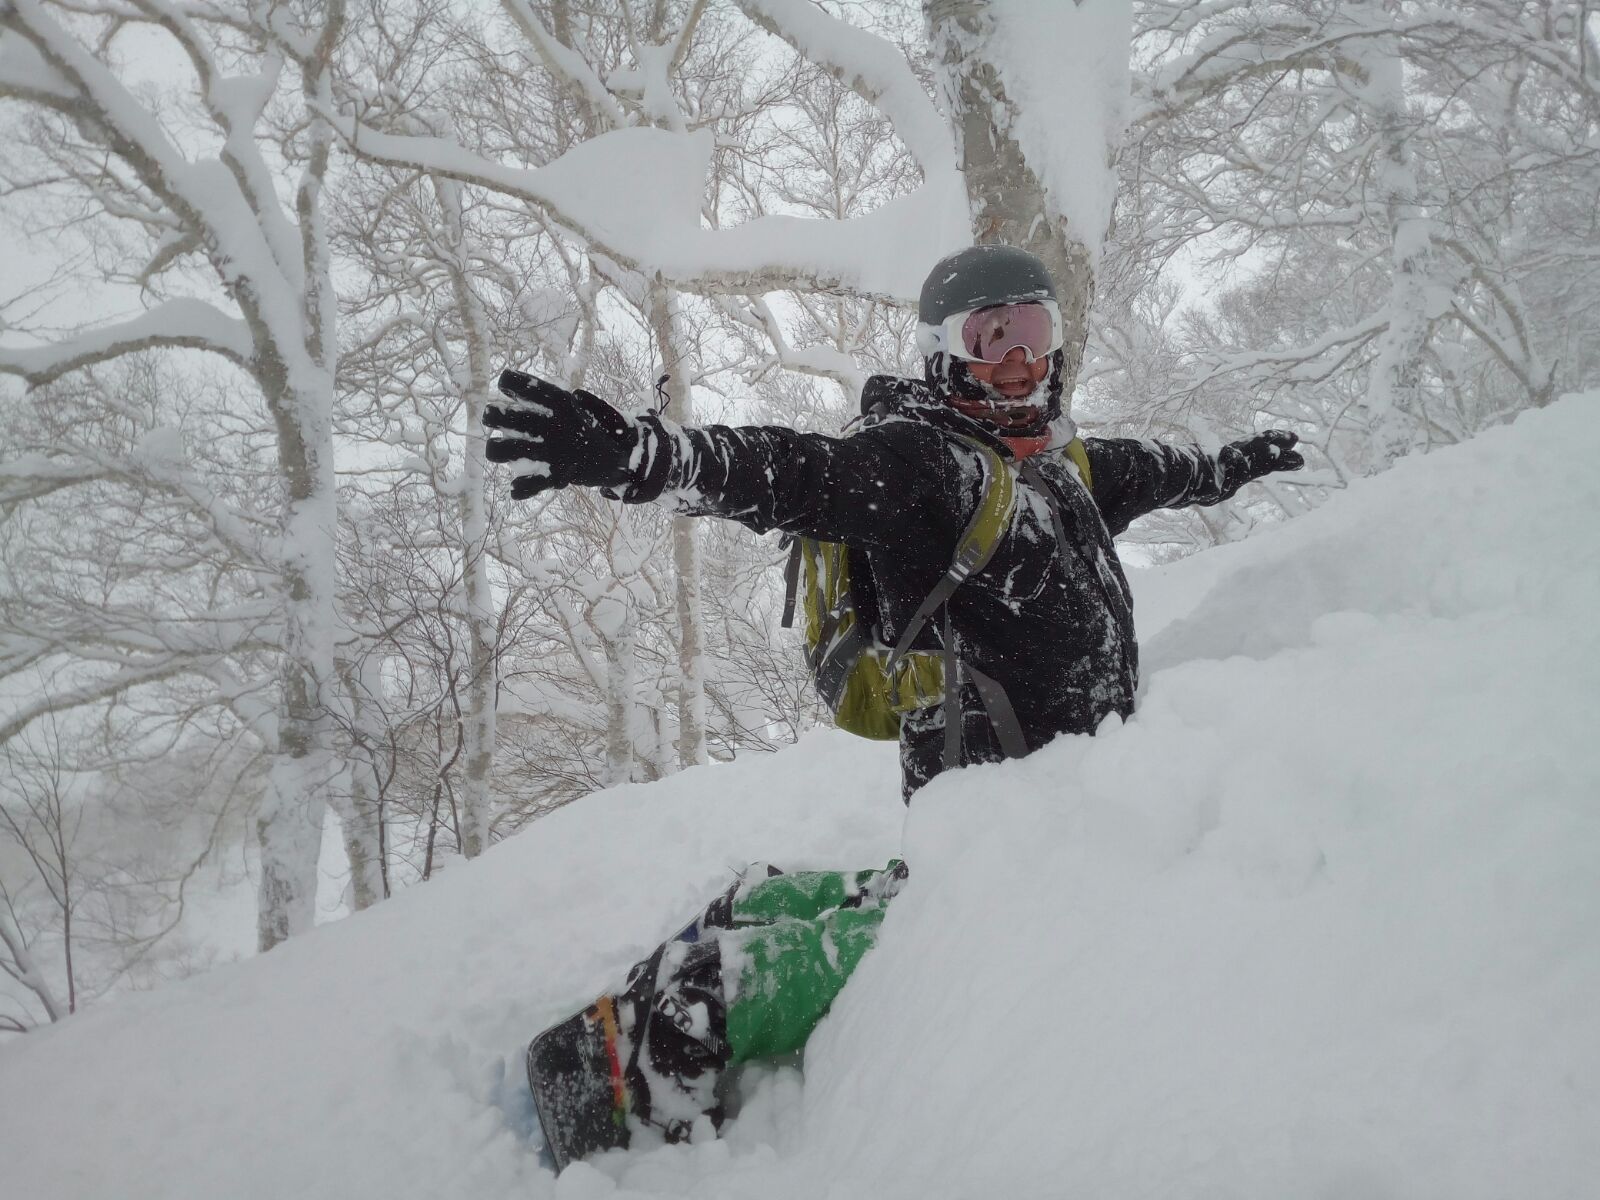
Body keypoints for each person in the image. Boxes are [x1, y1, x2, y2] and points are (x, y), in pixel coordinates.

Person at [490, 245, 1304, 1166]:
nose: (1017, 361)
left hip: (1047, 813)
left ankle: (765, 901)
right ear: (944, 352)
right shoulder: (925, 465)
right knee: (921, 939)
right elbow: (791, 473)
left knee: (922, 897)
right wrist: (642, 456)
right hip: (995, 813)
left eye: (1033, 331)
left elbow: (1147, 470)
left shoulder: (1055, 464)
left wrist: (1226, 467)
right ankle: (631, 1045)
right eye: (990, 337)